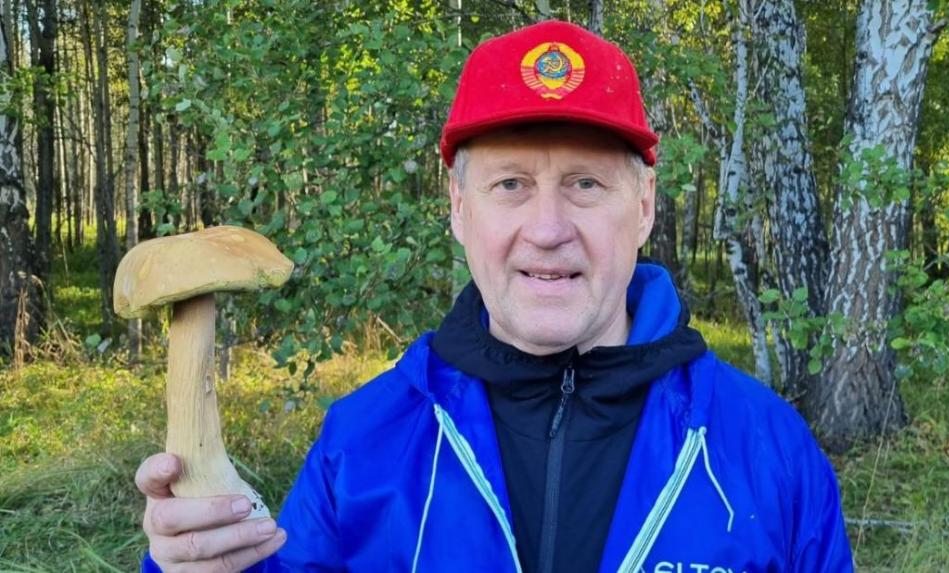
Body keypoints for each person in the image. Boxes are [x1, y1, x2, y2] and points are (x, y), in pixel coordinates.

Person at [136, 20, 853, 573]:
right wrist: (201, 563)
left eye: (585, 184)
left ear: (643, 207)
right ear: (459, 208)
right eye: (511, 184)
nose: (547, 229)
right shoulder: (360, 445)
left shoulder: (770, 451)